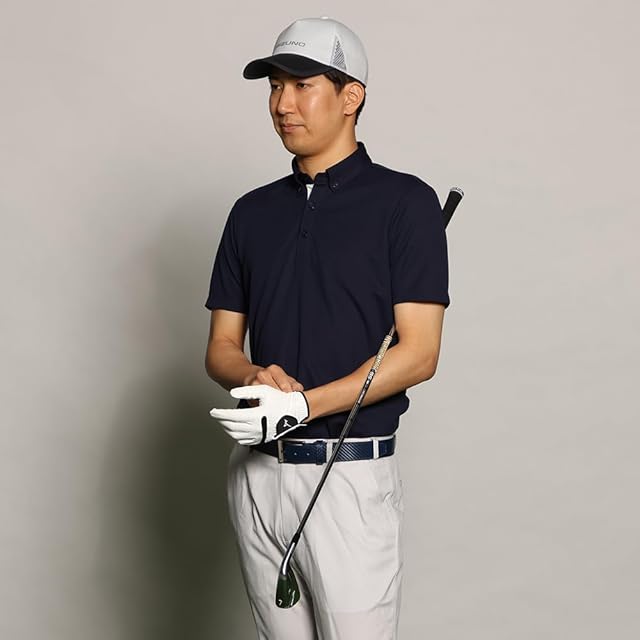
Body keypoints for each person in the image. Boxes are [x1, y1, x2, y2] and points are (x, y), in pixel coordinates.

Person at [204, 16, 450, 640]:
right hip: (256, 474)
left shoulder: (405, 204)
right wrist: (255, 377)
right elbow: (221, 348)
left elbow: (419, 354)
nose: (282, 104)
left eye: (301, 85)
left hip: (348, 477)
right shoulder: (250, 213)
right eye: (274, 87)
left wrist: (303, 406)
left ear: (350, 96)